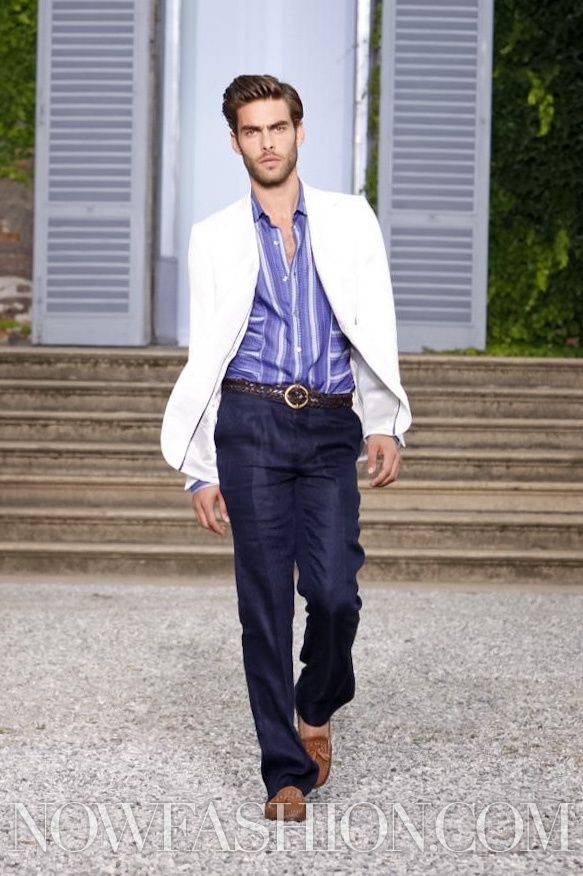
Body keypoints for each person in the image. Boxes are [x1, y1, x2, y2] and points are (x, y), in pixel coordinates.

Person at [161, 74, 412, 822]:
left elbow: (375, 321)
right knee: (263, 605)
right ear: (235, 141)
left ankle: (316, 703)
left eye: (277, 127)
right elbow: (206, 351)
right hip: (251, 423)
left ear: (299, 132)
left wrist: (383, 420)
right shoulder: (213, 236)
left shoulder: (350, 219)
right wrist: (201, 468)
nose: (266, 143)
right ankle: (284, 773)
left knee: (334, 594)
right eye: (252, 131)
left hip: (329, 424)